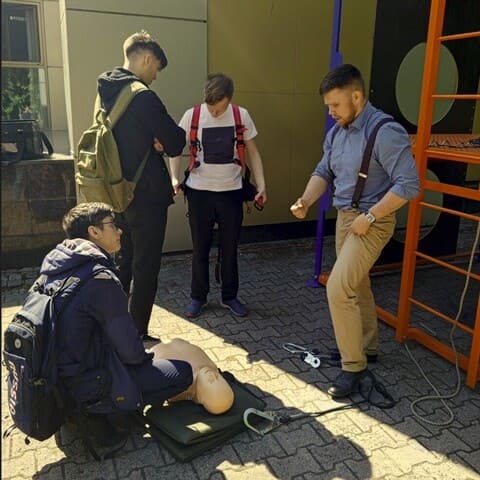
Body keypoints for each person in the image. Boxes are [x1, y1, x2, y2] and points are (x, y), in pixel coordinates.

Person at [290, 64, 420, 398]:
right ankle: (367, 346)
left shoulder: (385, 131)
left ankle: (354, 367)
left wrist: (372, 216)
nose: (331, 112)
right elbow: (323, 171)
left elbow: (409, 184)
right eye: (328, 106)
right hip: (346, 219)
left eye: (335, 105)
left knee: (338, 287)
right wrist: (305, 199)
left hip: (372, 222)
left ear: (357, 97)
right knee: (357, 285)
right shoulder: (337, 133)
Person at [42, 202, 193, 449]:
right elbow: (132, 353)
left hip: (55, 378)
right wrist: (148, 360)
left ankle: (84, 407)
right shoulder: (99, 279)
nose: (120, 230)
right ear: (94, 232)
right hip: (85, 380)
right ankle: (103, 409)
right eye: (113, 225)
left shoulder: (54, 267)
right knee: (182, 372)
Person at [96, 30, 186, 342]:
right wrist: (159, 141)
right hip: (146, 195)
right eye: (157, 68)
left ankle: (115, 328)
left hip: (117, 193)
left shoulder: (105, 93)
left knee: (122, 263)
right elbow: (176, 141)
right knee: (145, 267)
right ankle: (136, 334)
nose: (156, 76)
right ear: (147, 58)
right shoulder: (142, 96)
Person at [169, 73, 267, 318]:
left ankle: (230, 296)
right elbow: (174, 148)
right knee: (200, 247)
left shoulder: (241, 115)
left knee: (230, 247)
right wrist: (174, 178)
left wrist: (262, 185)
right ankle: (198, 297)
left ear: (229, 99)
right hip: (199, 192)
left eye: (219, 108)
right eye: (211, 107)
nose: (214, 112)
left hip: (231, 193)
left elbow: (253, 153)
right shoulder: (192, 115)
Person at [149, 339, 234, 414]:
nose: (212, 374)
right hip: (179, 342)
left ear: (201, 399)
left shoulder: (180, 387)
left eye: (211, 381)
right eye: (219, 377)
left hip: (154, 351)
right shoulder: (212, 368)